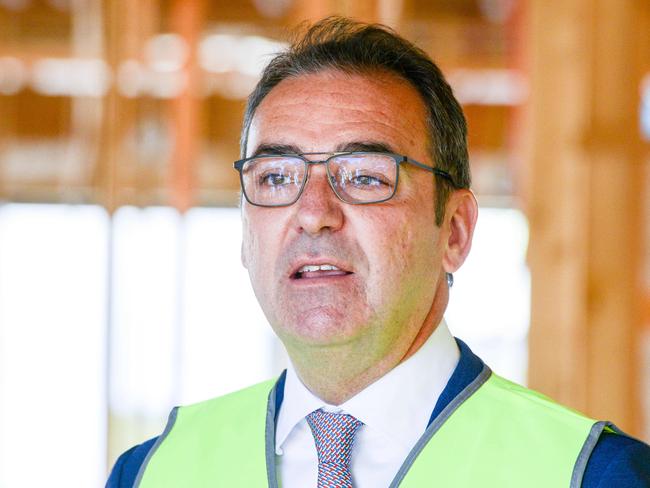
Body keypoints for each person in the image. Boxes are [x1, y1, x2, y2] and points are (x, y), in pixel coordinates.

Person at [107, 16, 650, 487]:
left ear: (455, 231)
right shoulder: (149, 473)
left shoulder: (595, 476)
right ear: (246, 233)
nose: (314, 212)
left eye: (365, 177)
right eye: (276, 176)